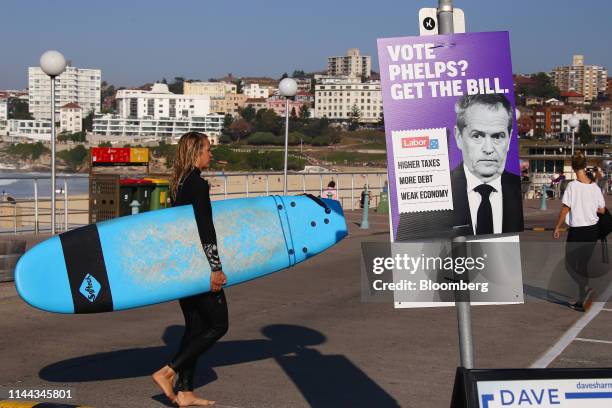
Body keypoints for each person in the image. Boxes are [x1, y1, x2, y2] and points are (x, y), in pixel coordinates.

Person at [152, 132, 228, 406]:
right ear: (196, 152)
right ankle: (168, 371)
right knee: (219, 324)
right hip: (198, 266)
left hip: (182, 265)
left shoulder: (179, 183)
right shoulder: (197, 184)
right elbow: (205, 228)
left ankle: (185, 393)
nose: (211, 154)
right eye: (208, 149)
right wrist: (215, 267)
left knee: (195, 326)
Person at [450, 93, 523, 235]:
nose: (488, 149)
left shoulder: (517, 190)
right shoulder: (436, 195)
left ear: (509, 139)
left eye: (497, 136)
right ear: (459, 137)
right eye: (477, 136)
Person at [553, 151, 606, 312]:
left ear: (574, 168)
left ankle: (586, 289)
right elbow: (602, 210)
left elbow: (565, 209)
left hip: (577, 232)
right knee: (582, 265)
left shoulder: (572, 186)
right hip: (592, 231)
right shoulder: (595, 187)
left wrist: (557, 226)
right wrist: (589, 207)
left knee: (571, 266)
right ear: (584, 166)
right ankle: (582, 300)